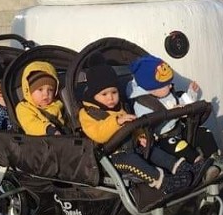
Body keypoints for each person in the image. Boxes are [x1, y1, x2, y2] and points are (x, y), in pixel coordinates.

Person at [78, 53, 195, 196]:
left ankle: (183, 168)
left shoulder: (120, 106)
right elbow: (98, 134)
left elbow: (132, 126)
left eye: (114, 92)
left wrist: (140, 136)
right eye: (104, 94)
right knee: (134, 162)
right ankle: (163, 182)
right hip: (112, 157)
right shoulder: (88, 113)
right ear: (93, 95)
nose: (110, 98)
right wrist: (116, 122)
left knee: (153, 151)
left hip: (132, 145)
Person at [127, 54, 219, 181]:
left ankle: (217, 160)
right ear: (152, 88)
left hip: (179, 129)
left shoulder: (166, 94)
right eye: (167, 84)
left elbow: (181, 103)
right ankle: (202, 169)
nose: (171, 86)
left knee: (204, 133)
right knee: (182, 147)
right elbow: (147, 124)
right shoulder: (143, 104)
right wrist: (170, 113)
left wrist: (191, 93)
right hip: (163, 139)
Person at [16, 61, 68, 136]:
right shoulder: (24, 107)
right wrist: (47, 129)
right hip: (41, 141)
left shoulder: (58, 103)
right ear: (29, 91)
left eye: (50, 90)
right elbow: (30, 124)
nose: (46, 94)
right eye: (40, 89)